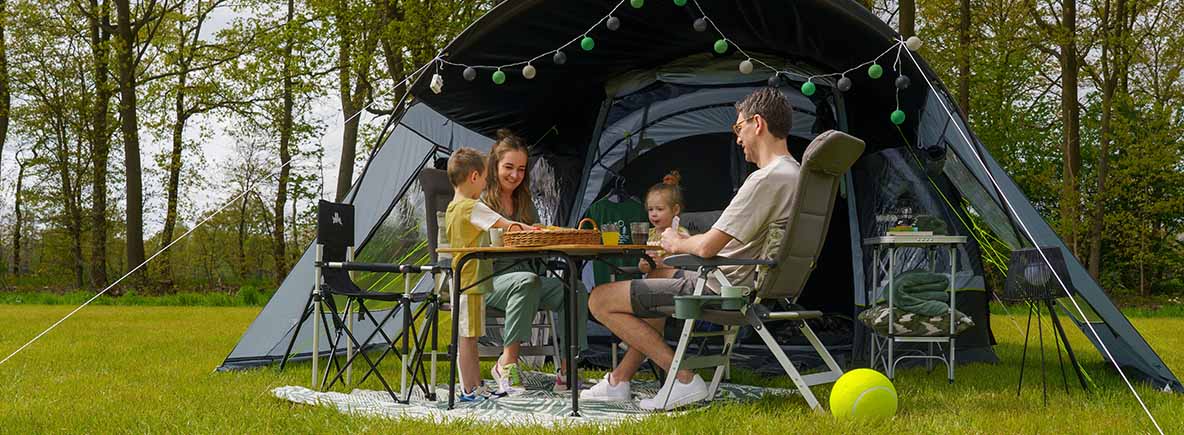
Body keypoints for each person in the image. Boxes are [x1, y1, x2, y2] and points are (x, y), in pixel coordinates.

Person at [585, 87, 802, 410]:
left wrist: (675, 242)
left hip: (722, 285)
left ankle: (683, 379)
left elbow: (708, 245)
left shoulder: (765, 179)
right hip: (741, 279)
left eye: (738, 127)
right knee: (656, 274)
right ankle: (620, 380)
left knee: (599, 299)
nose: (738, 137)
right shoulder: (794, 172)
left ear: (757, 123)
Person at [481, 129, 588, 393]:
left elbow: (531, 238)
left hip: (526, 279)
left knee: (573, 288)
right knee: (526, 281)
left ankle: (567, 368)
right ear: (494, 166)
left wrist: (541, 235)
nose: (515, 175)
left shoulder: (524, 200)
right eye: (508, 167)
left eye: (521, 169)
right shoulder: (481, 200)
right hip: (487, 281)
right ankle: (507, 363)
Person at [444, 147, 530, 401]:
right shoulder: (472, 207)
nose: (485, 183)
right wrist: (532, 229)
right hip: (471, 282)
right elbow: (507, 224)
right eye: (484, 178)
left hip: (463, 280)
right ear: (473, 177)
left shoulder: (453, 206)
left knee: (467, 337)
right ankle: (471, 390)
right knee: (468, 340)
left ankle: (472, 387)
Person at [639, 171, 690, 279]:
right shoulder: (648, 234)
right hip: (649, 285)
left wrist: (662, 264)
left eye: (660, 209)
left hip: (673, 282)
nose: (654, 214)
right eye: (650, 209)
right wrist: (642, 265)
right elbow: (642, 267)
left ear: (675, 210)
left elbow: (688, 266)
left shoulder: (680, 233)